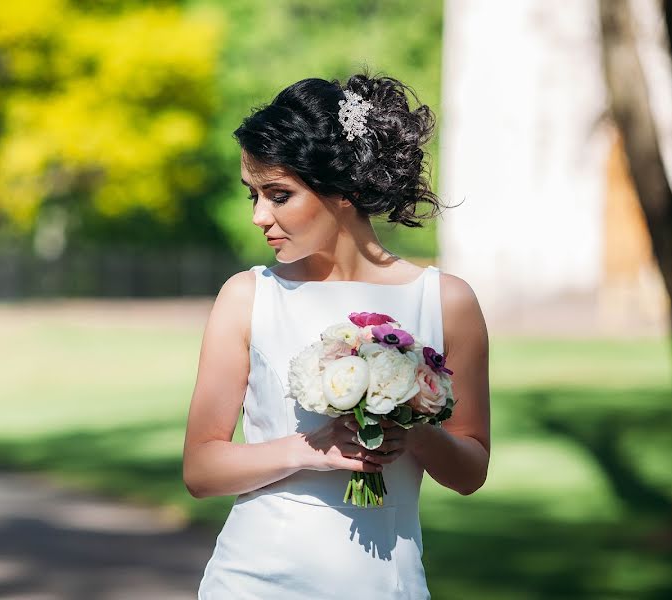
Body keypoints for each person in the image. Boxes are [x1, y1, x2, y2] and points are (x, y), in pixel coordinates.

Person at [182, 71, 490, 599]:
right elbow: (200, 468)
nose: (259, 216)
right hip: (254, 580)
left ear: (344, 188)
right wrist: (309, 450)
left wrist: (410, 425)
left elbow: (471, 472)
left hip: (385, 580)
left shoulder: (447, 301)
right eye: (252, 195)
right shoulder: (248, 295)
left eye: (279, 195)